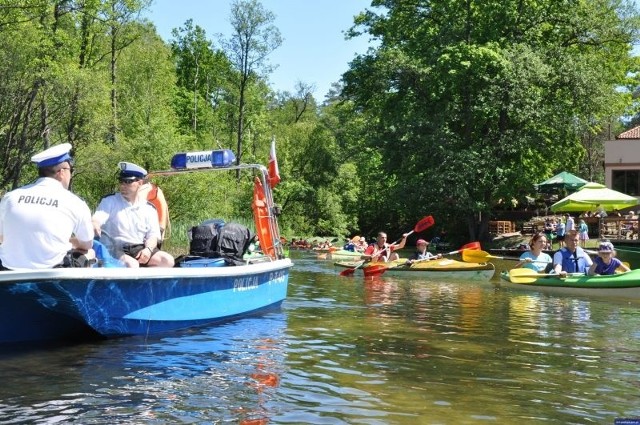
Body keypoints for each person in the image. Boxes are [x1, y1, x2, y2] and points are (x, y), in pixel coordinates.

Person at [0, 143, 94, 270]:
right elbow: (86, 244)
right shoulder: (75, 202)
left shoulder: (10, 197)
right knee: (90, 253)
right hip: (52, 276)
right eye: (70, 170)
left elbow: (1, 236)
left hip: (9, 272)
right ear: (61, 172)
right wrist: (71, 241)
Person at [92, 162, 174, 268]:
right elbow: (98, 218)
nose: (123, 186)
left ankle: (148, 284)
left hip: (139, 248)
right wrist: (95, 223)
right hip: (115, 248)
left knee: (167, 260)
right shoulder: (110, 201)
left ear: (140, 183)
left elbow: (153, 236)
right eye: (121, 181)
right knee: (132, 264)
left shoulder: (149, 208)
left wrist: (148, 250)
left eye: (128, 182)